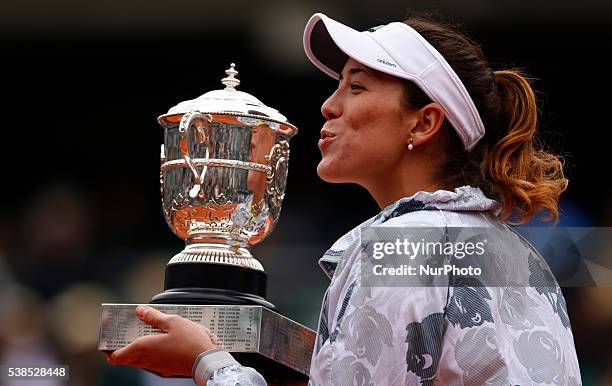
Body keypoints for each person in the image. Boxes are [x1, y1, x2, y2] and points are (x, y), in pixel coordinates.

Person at [107, 12, 582, 385]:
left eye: (356, 86)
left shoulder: (401, 249)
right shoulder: (521, 255)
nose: (329, 105)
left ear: (423, 123)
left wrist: (207, 362)